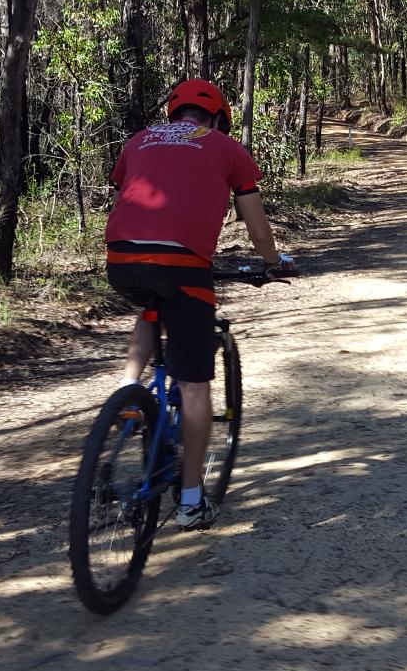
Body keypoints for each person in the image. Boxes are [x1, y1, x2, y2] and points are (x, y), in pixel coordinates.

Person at [105, 78, 294, 530]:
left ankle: (127, 392)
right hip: (184, 268)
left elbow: (124, 198)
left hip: (121, 258)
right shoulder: (227, 148)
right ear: (219, 118)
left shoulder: (138, 140)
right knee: (194, 387)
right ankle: (190, 502)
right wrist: (273, 262)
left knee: (150, 307)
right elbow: (256, 223)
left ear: (174, 114)